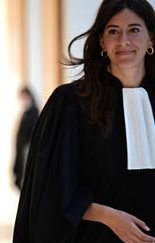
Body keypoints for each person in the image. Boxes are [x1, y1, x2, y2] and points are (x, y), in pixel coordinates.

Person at [13, 0, 155, 242]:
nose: (124, 41)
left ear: (151, 38)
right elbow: (51, 189)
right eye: (113, 31)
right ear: (101, 41)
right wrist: (109, 217)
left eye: (134, 29)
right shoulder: (69, 103)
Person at [12, 86, 39, 190]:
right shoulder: (26, 111)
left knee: (25, 175)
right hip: (22, 148)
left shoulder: (33, 111)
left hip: (27, 148)